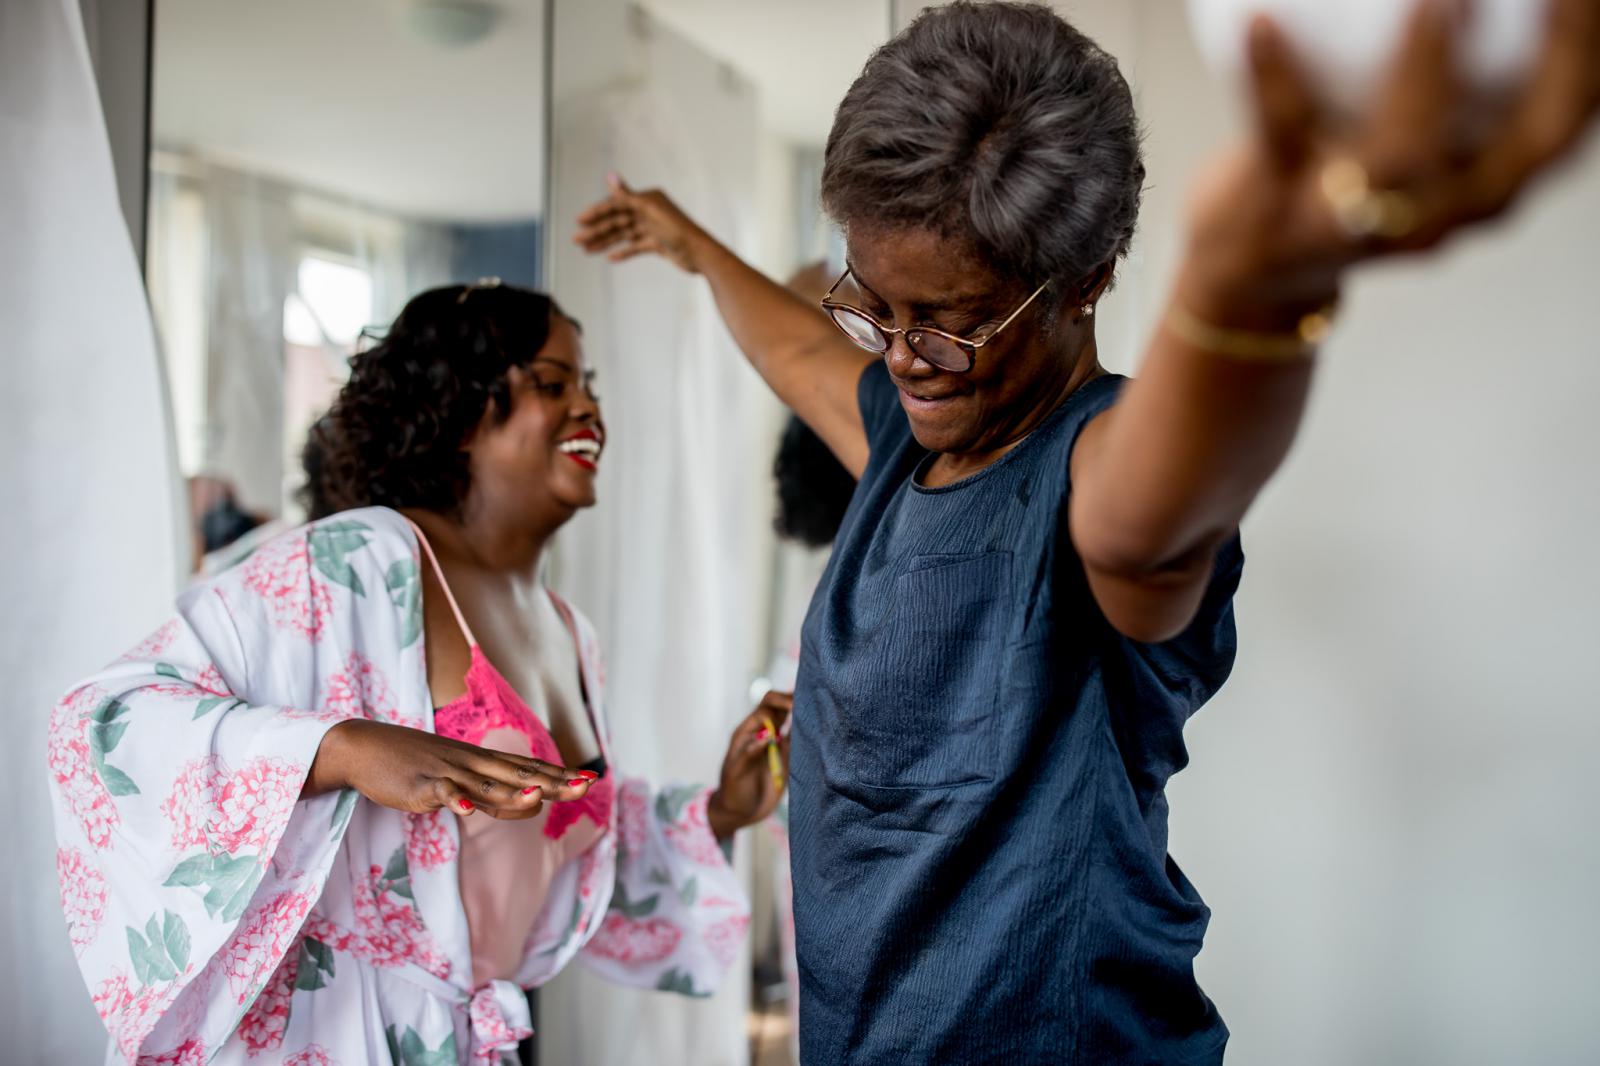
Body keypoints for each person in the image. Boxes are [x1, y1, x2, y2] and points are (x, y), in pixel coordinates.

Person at [574, 1, 1600, 1060]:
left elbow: (1148, 525)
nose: (902, 356)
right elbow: (795, 353)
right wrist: (690, 245)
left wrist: (1253, 284)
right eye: (874, 306)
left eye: (953, 322)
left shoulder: (1092, 477)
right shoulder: (902, 443)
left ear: (1087, 281)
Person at [48, 281, 790, 1064]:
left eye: (588, 386)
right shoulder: (355, 562)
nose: (587, 409)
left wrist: (719, 810)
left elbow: (542, 848)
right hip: (324, 1036)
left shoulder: (571, 631)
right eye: (551, 383)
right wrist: (342, 749)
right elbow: (106, 722)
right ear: (460, 411)